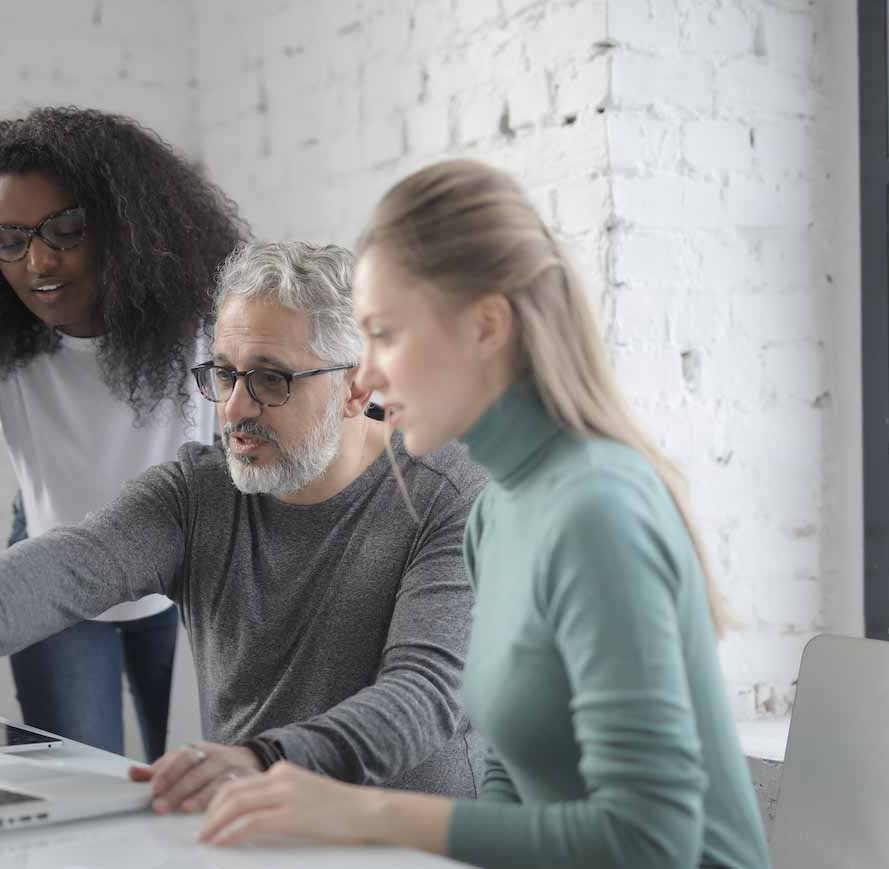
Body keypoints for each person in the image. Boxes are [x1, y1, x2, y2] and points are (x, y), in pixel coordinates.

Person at [197, 161, 771, 868]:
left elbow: (650, 842)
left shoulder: (597, 511)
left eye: (385, 333)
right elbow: (511, 773)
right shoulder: (495, 509)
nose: (367, 376)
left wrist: (365, 811)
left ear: (486, 326)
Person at [0, 241, 487, 814]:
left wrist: (263, 761)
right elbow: (74, 561)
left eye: (271, 379)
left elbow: (425, 694)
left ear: (356, 387)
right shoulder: (200, 493)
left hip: (410, 839)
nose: (234, 410)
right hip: (257, 830)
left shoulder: (447, 496)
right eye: (224, 374)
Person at [0, 107, 245, 761]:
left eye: (66, 230)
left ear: (122, 227)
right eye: (12, 238)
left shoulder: (200, 315)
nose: (40, 260)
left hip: (191, 584)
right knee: (84, 786)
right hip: (56, 588)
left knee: (204, 784)